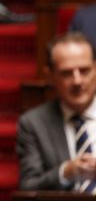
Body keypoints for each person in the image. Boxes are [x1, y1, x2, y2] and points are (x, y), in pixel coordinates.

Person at [17, 32, 96, 191]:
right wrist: (66, 172)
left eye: (84, 70)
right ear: (50, 76)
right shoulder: (33, 123)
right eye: (67, 73)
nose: (77, 81)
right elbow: (28, 187)